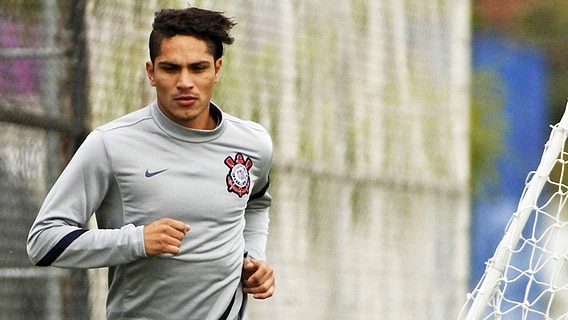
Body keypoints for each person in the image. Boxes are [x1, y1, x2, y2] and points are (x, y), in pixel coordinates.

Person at [27, 7, 275, 320]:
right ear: (151, 72)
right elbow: (43, 241)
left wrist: (253, 257)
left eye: (198, 68)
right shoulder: (111, 144)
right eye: (171, 68)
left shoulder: (253, 143)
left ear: (217, 69)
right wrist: (136, 240)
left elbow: (255, 205)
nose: (185, 82)